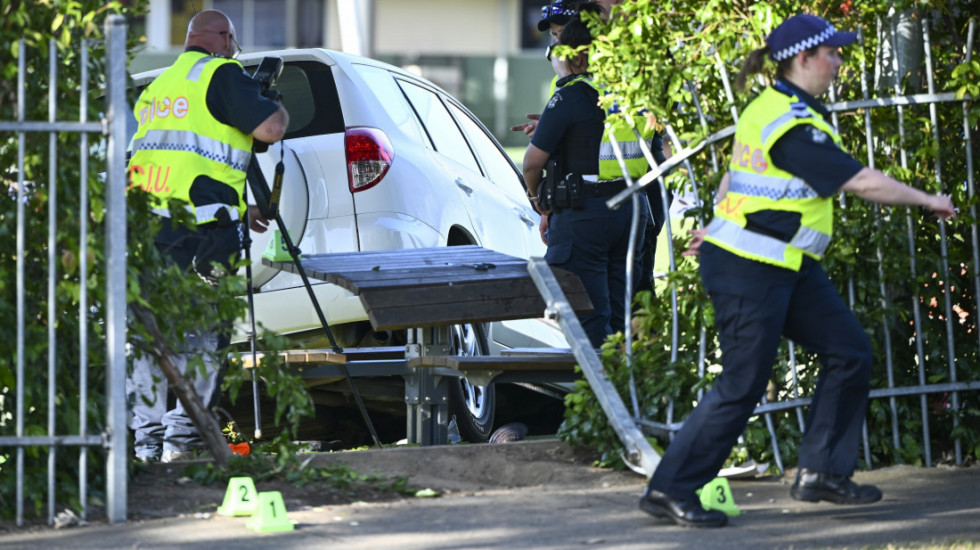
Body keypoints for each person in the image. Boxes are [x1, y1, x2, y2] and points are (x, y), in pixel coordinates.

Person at [638, 13, 956, 528]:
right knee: (744, 381)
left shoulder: (780, 109)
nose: (839, 60)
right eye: (832, 52)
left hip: (784, 264)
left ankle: (821, 474)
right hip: (749, 266)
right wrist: (927, 199)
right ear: (804, 58)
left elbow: (732, 177)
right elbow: (861, 181)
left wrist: (717, 223)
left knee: (850, 350)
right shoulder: (790, 122)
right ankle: (670, 488)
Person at [126, 9, 289, 463]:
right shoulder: (222, 73)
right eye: (233, 43)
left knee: (149, 338)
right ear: (222, 37)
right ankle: (183, 441)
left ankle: (145, 444)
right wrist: (272, 100)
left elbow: (182, 162)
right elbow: (270, 129)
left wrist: (245, 207)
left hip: (150, 230)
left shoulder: (156, 87)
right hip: (205, 235)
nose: (234, 52)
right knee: (203, 338)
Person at [522, 4, 649, 348]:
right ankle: (626, 392)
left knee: (588, 318)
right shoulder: (630, 93)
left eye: (561, 43)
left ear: (577, 56)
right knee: (619, 315)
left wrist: (537, 201)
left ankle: (599, 398)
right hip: (630, 209)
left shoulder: (570, 96)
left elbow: (532, 164)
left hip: (585, 215)